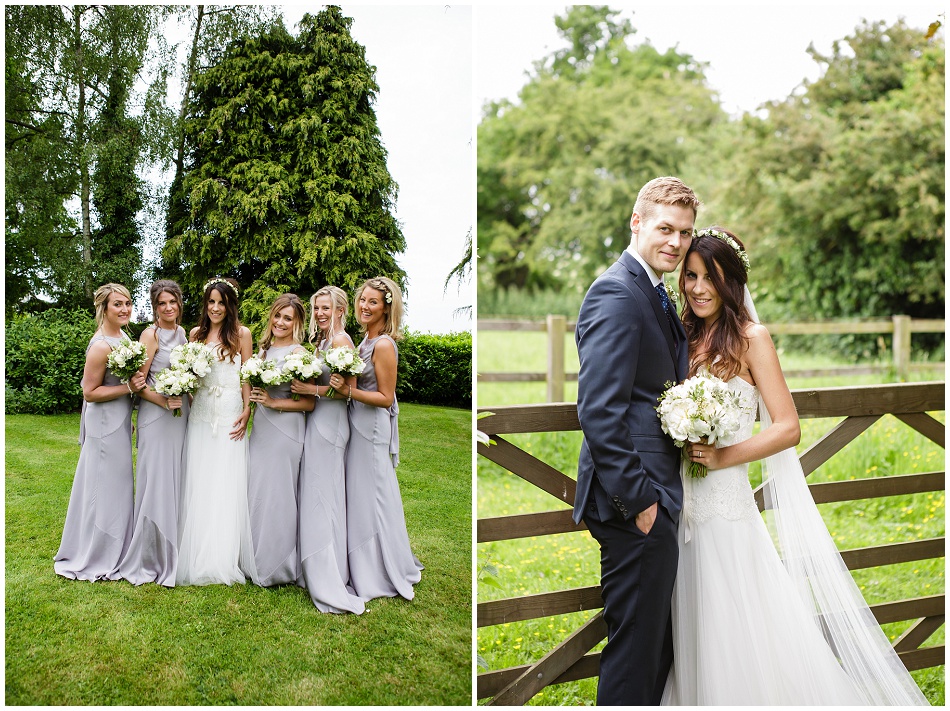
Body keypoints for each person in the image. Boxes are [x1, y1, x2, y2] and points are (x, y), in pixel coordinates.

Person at [660, 228, 928, 705]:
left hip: (725, 508)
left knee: (734, 617)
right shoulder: (683, 335)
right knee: (693, 619)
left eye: (711, 279)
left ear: (733, 283)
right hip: (680, 505)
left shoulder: (751, 339)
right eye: (692, 276)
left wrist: (722, 456)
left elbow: (787, 427)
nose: (698, 288)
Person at [573, 176, 700, 705]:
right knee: (635, 650)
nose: (675, 242)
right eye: (665, 228)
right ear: (637, 222)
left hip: (656, 493)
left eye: (685, 233)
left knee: (655, 645)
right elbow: (599, 410)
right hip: (634, 501)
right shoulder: (616, 292)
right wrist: (641, 501)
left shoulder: (653, 290)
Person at [337, 276, 423, 601]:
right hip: (358, 421)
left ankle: (379, 567)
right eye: (362, 300)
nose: (365, 306)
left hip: (372, 426)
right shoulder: (363, 342)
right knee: (361, 492)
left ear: (387, 307)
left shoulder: (384, 344)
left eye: (373, 302)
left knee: (373, 492)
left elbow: (386, 397)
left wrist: (348, 391)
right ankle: (362, 559)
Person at [55, 283, 146, 581]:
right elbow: (90, 392)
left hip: (117, 419)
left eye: (128, 303)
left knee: (118, 484)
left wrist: (127, 408)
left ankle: (117, 546)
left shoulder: (123, 336)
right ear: (103, 308)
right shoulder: (100, 346)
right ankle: (97, 552)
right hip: (102, 423)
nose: (125, 309)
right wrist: (129, 388)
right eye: (117, 304)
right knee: (102, 485)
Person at [176, 277, 258, 586]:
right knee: (200, 479)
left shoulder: (242, 334)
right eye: (211, 302)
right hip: (201, 415)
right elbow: (189, 375)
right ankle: (197, 551)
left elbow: (247, 376)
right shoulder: (195, 334)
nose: (215, 308)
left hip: (229, 415)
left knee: (226, 481)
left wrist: (247, 409)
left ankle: (223, 555)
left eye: (221, 302)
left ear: (230, 305)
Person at [291, 285, 365, 614]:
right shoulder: (321, 342)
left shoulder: (340, 341)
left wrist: (312, 389)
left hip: (332, 425)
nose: (320, 313)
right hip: (317, 421)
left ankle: (328, 574)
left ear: (340, 310)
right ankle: (315, 565)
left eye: (327, 308)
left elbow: (347, 390)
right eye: (317, 308)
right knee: (317, 493)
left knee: (324, 495)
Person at [117, 280, 188, 587]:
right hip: (157, 416)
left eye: (172, 302)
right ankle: (149, 556)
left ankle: (173, 548)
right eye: (162, 303)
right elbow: (138, 383)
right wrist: (164, 400)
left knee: (174, 480)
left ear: (180, 303)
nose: (168, 307)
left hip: (179, 417)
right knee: (155, 481)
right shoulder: (150, 334)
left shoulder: (183, 333)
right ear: (155, 307)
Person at [247, 293, 313, 586]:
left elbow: (309, 404)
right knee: (259, 491)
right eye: (277, 316)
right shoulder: (262, 352)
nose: (281, 322)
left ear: (297, 322)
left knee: (279, 495)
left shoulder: (299, 355)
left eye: (288, 318)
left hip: (285, 431)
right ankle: (254, 559)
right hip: (261, 430)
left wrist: (274, 403)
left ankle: (279, 566)